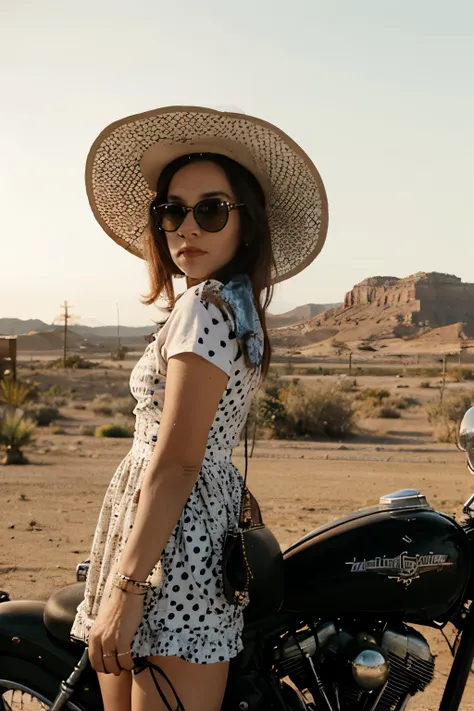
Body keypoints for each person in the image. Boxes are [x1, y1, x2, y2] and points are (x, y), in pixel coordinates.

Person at [70, 106, 328, 711]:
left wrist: (129, 588)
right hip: (176, 533)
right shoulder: (235, 310)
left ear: (246, 224)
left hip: (170, 547)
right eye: (171, 211)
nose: (188, 226)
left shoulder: (202, 310)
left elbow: (179, 461)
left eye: (210, 209)